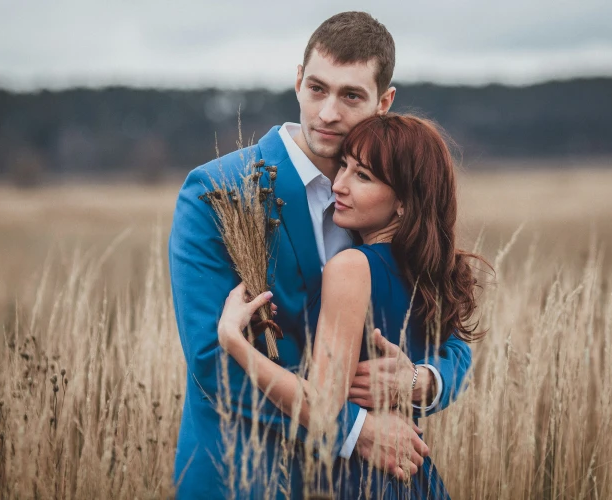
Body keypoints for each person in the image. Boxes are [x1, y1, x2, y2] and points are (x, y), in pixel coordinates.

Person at [168, 12, 474, 498]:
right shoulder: (218, 191)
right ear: (297, 81)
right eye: (317, 88)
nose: (328, 112)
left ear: (384, 101)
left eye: (351, 95)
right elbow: (210, 358)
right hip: (246, 475)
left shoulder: (391, 199)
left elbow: (452, 339)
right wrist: (354, 431)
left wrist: (422, 381)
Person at [217, 113, 487, 498]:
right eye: (344, 166)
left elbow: (324, 413)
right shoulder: (430, 270)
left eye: (363, 177)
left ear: (403, 204)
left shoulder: (352, 267)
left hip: (359, 478)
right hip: (412, 477)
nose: (338, 186)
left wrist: (234, 341)